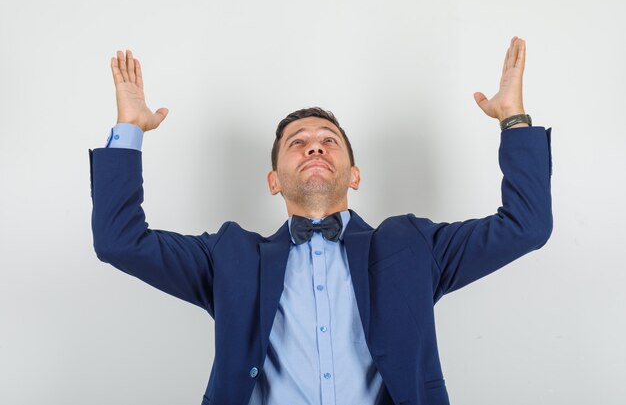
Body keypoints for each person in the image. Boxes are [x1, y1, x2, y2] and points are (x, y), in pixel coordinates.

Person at [89, 36, 553, 405]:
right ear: (274, 181)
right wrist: (129, 128)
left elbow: (526, 225)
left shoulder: (414, 245)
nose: (314, 146)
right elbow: (119, 241)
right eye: (297, 142)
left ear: (354, 175)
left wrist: (513, 118)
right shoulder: (228, 256)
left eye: (328, 140)